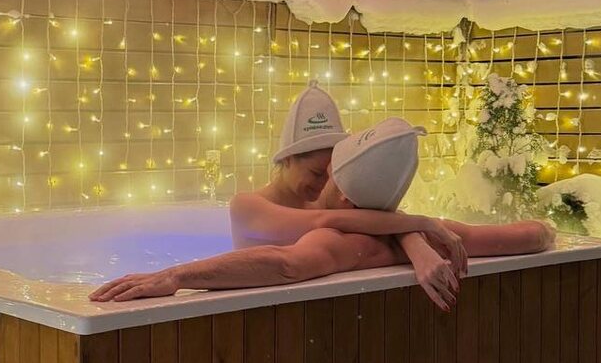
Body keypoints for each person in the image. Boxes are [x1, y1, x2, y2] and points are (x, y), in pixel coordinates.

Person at [89, 86, 554, 308]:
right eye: (317, 172)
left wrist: (417, 237)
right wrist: (419, 229)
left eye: (332, 173)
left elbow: (332, 234)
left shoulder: (341, 224)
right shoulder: (250, 206)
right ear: (286, 159)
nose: (322, 183)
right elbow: (321, 227)